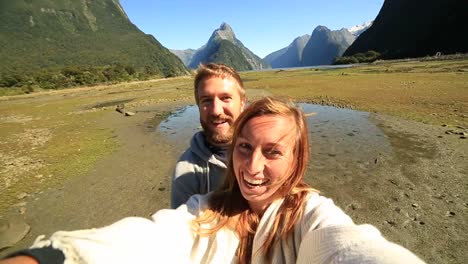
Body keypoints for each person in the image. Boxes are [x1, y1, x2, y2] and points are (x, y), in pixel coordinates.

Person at [1, 97, 425, 264]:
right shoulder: (206, 210)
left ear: (297, 160)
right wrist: (57, 255)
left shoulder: (312, 216)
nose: (252, 167)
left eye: (273, 151)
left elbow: (351, 248)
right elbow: (150, 237)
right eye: (244, 147)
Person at [171, 63, 246, 209]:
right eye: (206, 100)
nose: (216, 111)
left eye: (225, 98)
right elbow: (182, 227)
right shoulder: (186, 170)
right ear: (198, 105)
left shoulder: (265, 151)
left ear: (242, 103)